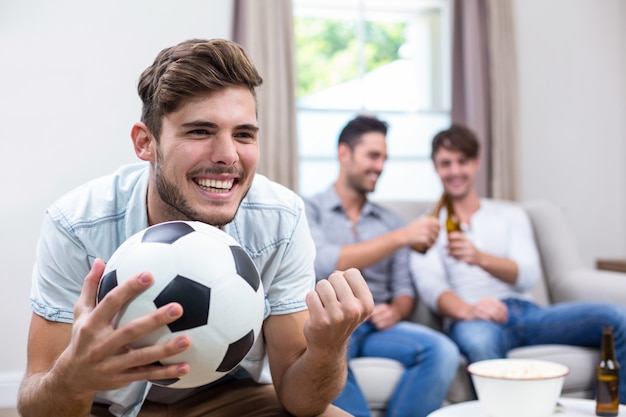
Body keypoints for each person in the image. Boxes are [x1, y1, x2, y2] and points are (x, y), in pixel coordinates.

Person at [17, 38, 375, 417]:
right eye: (200, 131)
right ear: (145, 143)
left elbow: (301, 401)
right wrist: (73, 377)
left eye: (243, 134)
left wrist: (327, 348)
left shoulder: (279, 220)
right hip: (106, 407)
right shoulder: (77, 224)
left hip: (228, 402)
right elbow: (36, 405)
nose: (227, 155)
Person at [410, 123, 626, 402]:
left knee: (617, 319)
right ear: (436, 168)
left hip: (527, 314)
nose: (454, 171)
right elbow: (432, 288)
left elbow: (527, 275)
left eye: (462, 162)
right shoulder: (425, 227)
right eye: (445, 163)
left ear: (476, 163)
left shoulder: (509, 215)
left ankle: (614, 407)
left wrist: (479, 258)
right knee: (479, 343)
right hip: (474, 319)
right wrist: (470, 309)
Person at [304, 115, 460, 417]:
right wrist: (402, 236)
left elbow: (404, 291)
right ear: (344, 153)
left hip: (376, 328)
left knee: (443, 351)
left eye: (384, 159)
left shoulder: (390, 221)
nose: (380, 167)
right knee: (324, 364)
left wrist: (396, 311)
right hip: (331, 327)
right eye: (373, 156)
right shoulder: (309, 210)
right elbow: (326, 261)